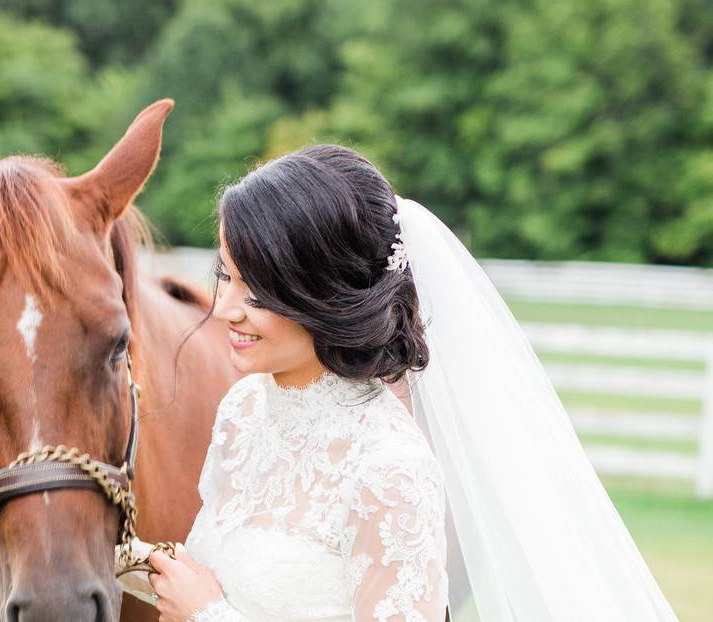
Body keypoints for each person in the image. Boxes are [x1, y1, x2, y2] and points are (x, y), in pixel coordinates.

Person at [121, 144, 681, 622]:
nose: (224, 309)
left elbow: (214, 605)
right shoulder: (244, 411)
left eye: (257, 291)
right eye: (225, 276)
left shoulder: (389, 468)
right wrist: (107, 551)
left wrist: (209, 618)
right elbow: (220, 579)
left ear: (326, 293)